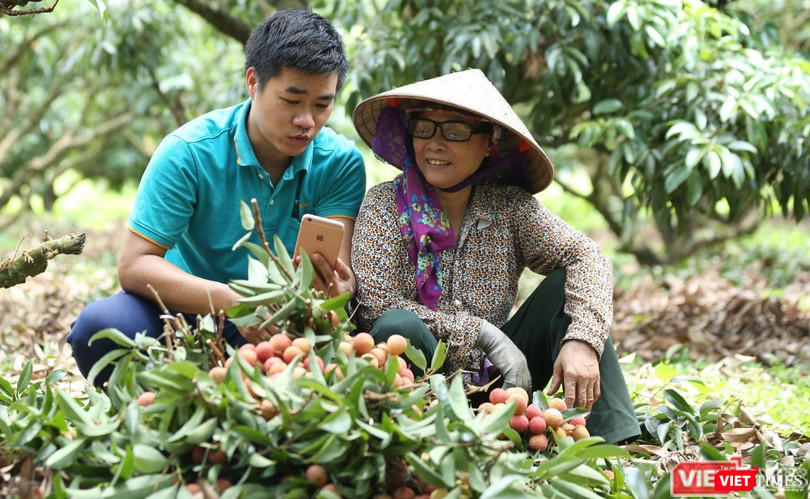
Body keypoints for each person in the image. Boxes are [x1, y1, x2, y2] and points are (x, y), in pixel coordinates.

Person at [68, 9, 366, 386]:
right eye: (292, 100)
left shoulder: (340, 163)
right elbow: (135, 265)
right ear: (253, 82)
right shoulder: (189, 152)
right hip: (187, 313)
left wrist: (338, 290)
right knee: (100, 328)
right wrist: (236, 303)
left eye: (322, 105)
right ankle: (167, 406)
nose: (307, 120)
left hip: (284, 324)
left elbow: (339, 271)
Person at [350, 69, 639, 444]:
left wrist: (582, 340)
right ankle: (416, 441)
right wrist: (484, 334)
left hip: (504, 387)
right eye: (424, 128)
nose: (435, 144)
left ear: (488, 144)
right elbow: (376, 304)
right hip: (420, 389)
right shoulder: (383, 205)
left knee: (564, 287)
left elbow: (588, 256)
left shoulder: (508, 207)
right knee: (396, 326)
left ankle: (615, 442)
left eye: (454, 131)